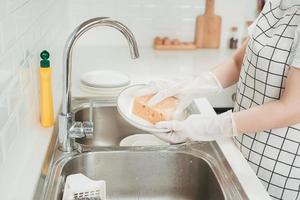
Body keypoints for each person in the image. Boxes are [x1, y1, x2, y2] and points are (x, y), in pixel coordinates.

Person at [140, 1, 300, 199]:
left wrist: (209, 127)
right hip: (241, 155)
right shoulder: (279, 3)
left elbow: (292, 108)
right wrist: (192, 87)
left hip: (277, 173)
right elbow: (238, 62)